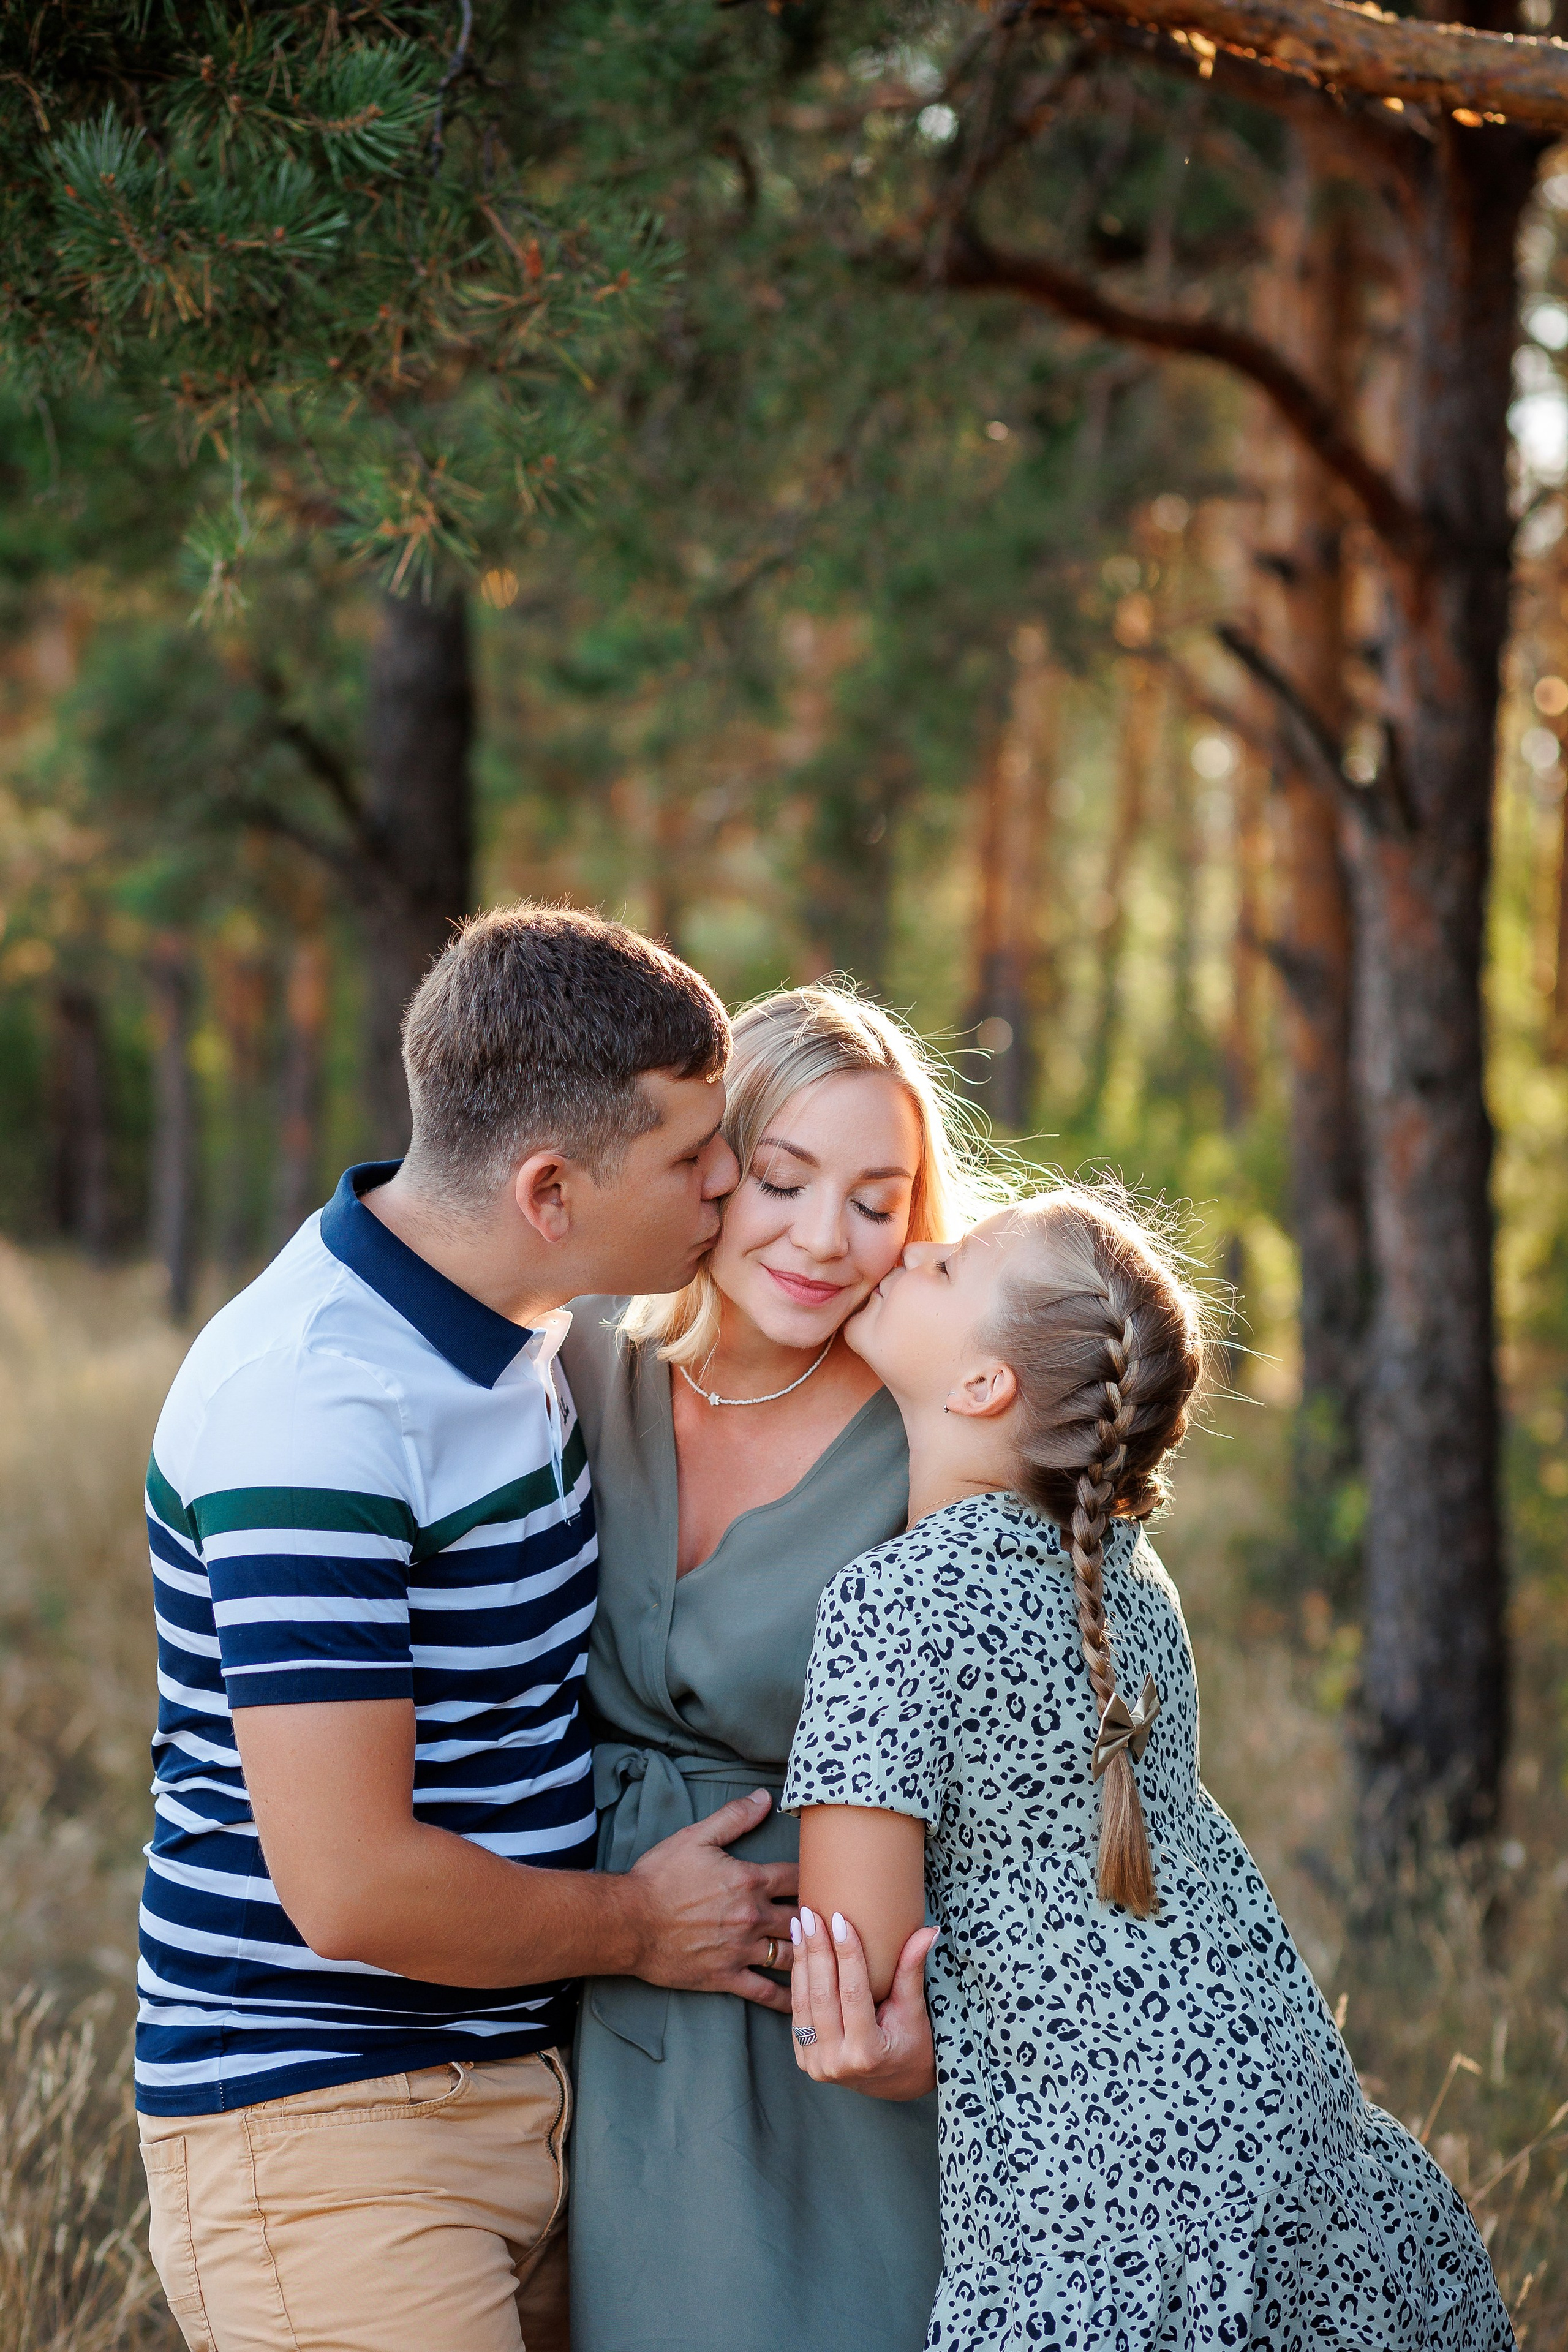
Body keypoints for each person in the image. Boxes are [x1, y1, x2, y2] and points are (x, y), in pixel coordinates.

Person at [135, 905, 803, 2352]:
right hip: (326, 2126)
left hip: (539, 2083)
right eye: (693, 1155)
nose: (728, 1182)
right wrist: (640, 1927)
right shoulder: (311, 1406)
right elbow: (351, 1887)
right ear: (549, 1190)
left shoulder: (529, 1321)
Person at [783, 1184, 1513, 2351]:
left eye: (949, 1264)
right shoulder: (1129, 1578)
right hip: (1287, 2121)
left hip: (1107, 2193)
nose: (913, 1249)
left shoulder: (894, 1600)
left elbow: (851, 1980)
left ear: (985, 1388)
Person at [561, 984, 986, 2352]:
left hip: (818, 2025)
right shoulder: (575, 1364)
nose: (822, 1240)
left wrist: (936, 2039)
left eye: (877, 1199)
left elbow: (1062, 1758)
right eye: (783, 1180)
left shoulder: (940, 1424)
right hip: (563, 1979)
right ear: (707, 1169)